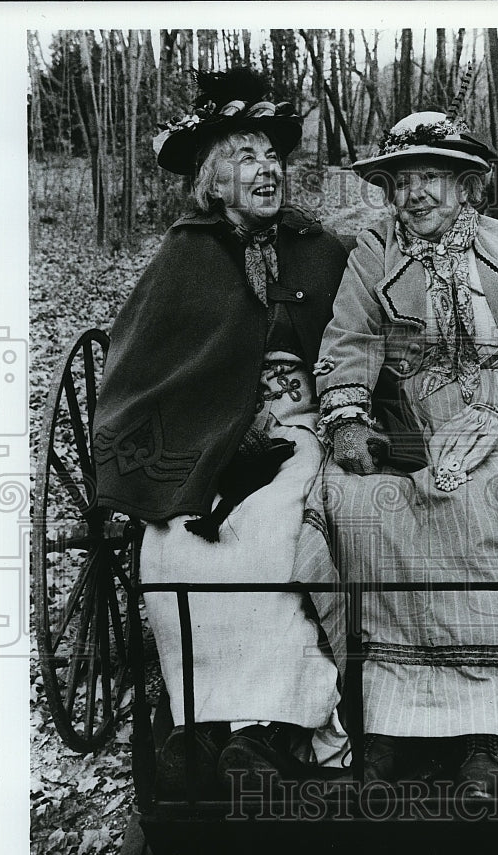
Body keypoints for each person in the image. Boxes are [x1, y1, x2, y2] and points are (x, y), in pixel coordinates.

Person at [296, 111, 498, 797]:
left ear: (464, 185)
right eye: (401, 181)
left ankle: (488, 731)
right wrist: (346, 418)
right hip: (411, 418)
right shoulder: (374, 255)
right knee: (353, 499)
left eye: (430, 177)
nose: (414, 194)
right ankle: (386, 723)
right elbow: (346, 345)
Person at [92, 68, 349, 797]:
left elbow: (358, 345)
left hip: (303, 432)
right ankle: (199, 720)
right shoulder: (186, 256)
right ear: (214, 179)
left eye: (271, 155)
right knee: (170, 547)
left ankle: (267, 727)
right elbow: (146, 373)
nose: (264, 169)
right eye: (244, 156)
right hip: (203, 447)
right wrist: (217, 433)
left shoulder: (317, 248)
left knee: (271, 534)